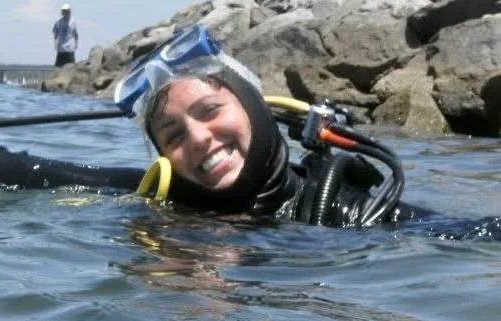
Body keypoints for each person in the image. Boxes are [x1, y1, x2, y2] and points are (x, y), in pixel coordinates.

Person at [114, 23, 431, 227]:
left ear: (252, 103)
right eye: (173, 136)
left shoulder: (348, 212)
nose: (197, 138)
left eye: (209, 111)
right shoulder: (170, 212)